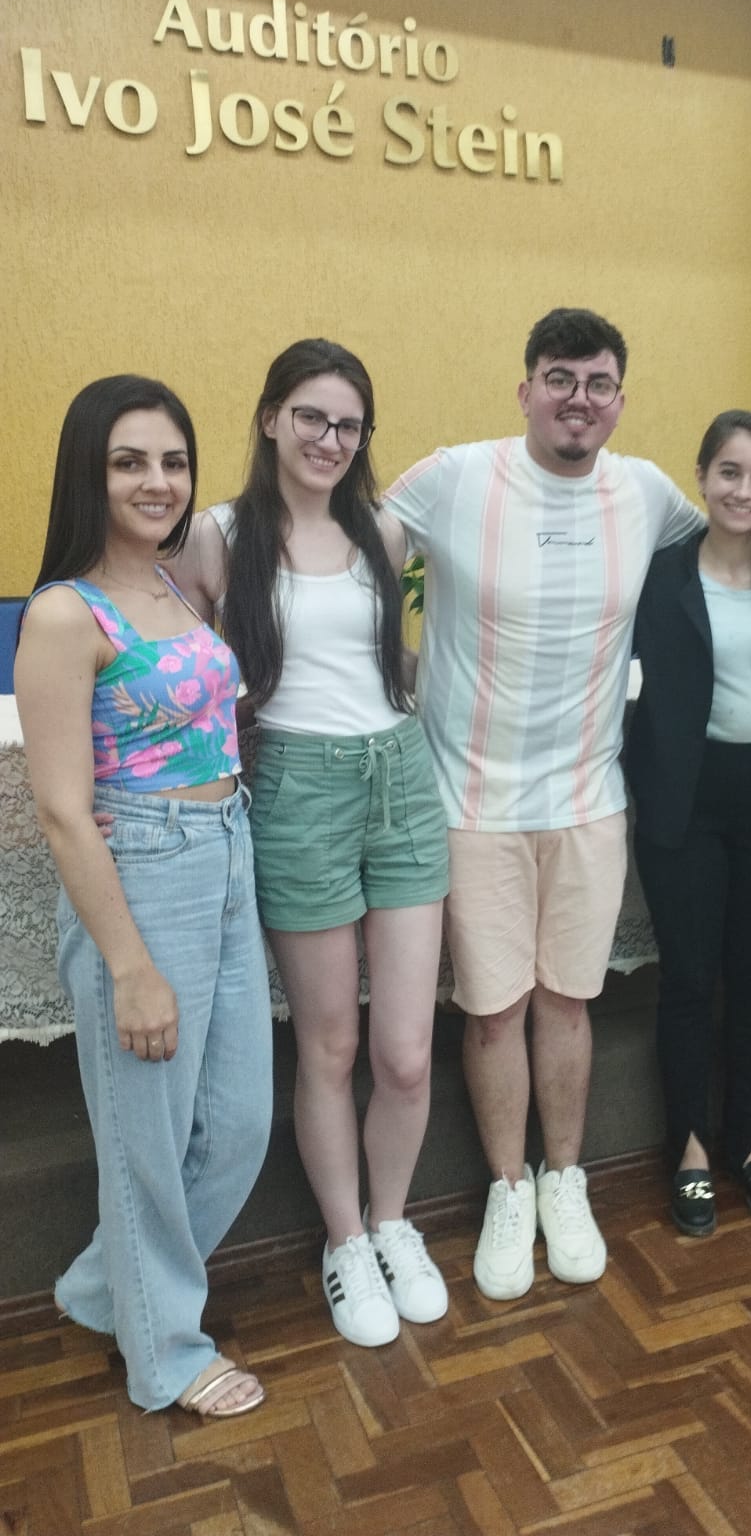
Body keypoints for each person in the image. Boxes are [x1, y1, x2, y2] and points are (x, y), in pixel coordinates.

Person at [381, 307, 704, 1301]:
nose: (578, 398)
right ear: (524, 390)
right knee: (493, 1011)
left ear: (619, 400)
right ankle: (508, 1189)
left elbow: (737, 553)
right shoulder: (455, 478)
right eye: (559, 378)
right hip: (471, 801)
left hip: (589, 799)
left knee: (568, 1001)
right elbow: (345, 558)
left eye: (598, 382)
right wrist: (393, 670)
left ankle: (565, 1179)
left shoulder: (646, 491)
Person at [172, 339, 449, 1347]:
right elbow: (171, 667)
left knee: (405, 1051)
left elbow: (398, 655)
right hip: (297, 789)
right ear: (270, 419)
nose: (331, 439)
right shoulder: (218, 537)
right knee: (330, 1044)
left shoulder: (387, 530)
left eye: (349, 425)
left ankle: (393, 1221)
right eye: (312, 417)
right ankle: (345, 1241)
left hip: (401, 779)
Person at [15, 376, 272, 1415]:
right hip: (145, 876)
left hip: (226, 855)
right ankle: (163, 1350)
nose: (157, 481)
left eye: (172, 460)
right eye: (130, 461)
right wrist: (128, 966)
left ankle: (100, 1287)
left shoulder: (175, 588)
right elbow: (63, 810)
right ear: (90, 472)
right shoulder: (62, 613)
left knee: (240, 1120)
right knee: (147, 1138)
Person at [626, 410, 751, 1235]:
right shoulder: (661, 575)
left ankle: (749, 1139)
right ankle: (689, 1149)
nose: (745, 490)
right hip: (686, 800)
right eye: (730, 472)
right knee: (688, 979)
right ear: (703, 477)